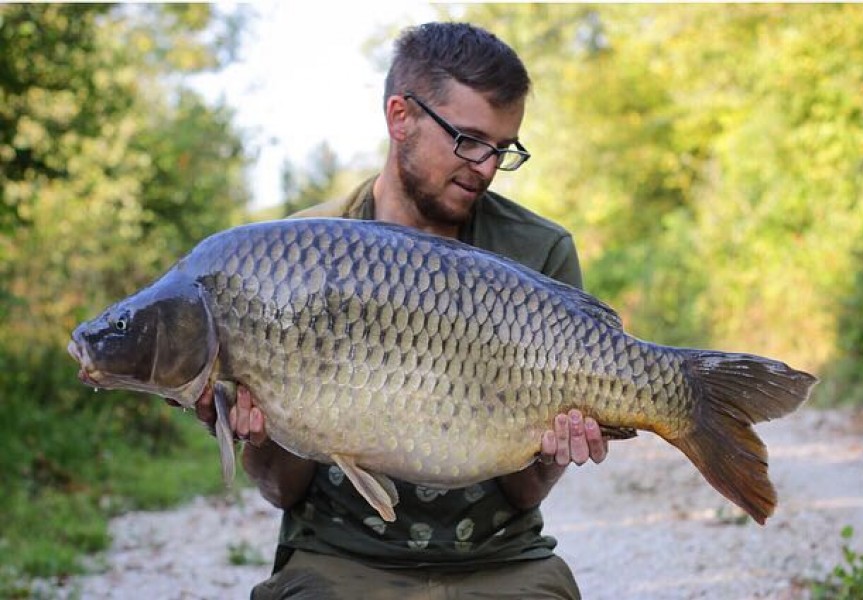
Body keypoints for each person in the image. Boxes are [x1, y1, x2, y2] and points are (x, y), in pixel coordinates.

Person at [192, 22, 609, 599]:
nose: (486, 167)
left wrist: (553, 444)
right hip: (339, 558)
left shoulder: (540, 252)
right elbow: (282, 493)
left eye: (503, 149)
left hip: (501, 558)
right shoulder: (288, 257)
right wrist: (263, 435)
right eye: (468, 140)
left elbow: (526, 493)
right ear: (399, 117)